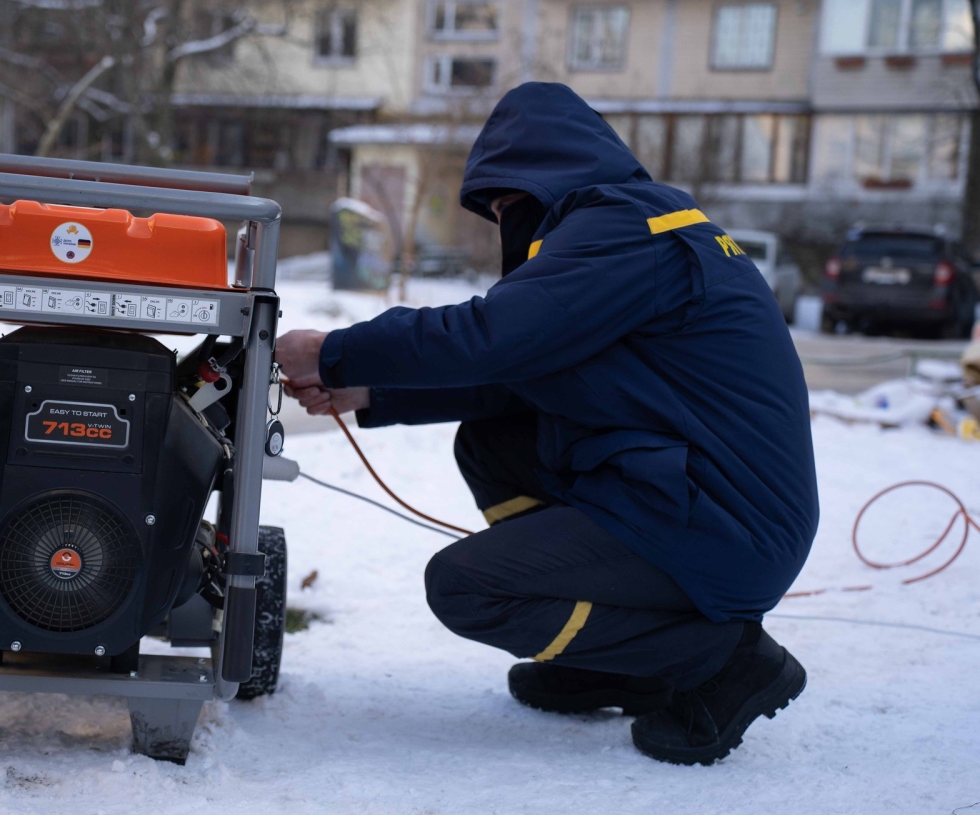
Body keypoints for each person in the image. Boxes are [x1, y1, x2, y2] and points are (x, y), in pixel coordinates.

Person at [274, 83, 818, 766]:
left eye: (506, 205)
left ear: (541, 181)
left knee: (466, 588)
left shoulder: (624, 231)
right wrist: (371, 391)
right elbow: (523, 374)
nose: (506, 224)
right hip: (695, 497)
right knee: (494, 445)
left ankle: (723, 659)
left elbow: (495, 334)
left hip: (726, 526)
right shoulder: (633, 225)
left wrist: (335, 350)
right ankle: (612, 659)